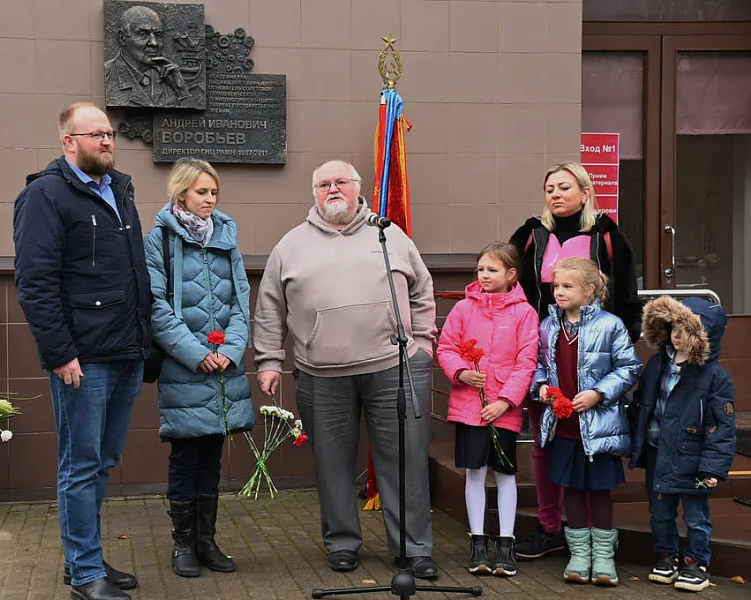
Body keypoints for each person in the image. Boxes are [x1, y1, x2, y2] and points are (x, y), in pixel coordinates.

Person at [253, 160, 439, 579]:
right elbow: (269, 309)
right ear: (314, 193)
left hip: (395, 366)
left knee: (404, 462)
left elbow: (422, 289)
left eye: (341, 182)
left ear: (358, 189)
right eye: (323, 184)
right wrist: (268, 360)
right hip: (320, 373)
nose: (332, 189)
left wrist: (423, 344)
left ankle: (413, 548)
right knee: (332, 464)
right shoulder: (291, 245)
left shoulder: (388, 234)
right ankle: (341, 543)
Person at [13, 102, 152, 600]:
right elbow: (35, 283)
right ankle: (85, 573)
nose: (107, 141)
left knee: (103, 459)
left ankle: (83, 560)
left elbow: (136, 272)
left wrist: (144, 341)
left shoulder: (121, 191)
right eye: (95, 135)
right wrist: (59, 353)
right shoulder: (44, 196)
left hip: (125, 350)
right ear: (68, 142)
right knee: (80, 462)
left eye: (110, 133)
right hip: (82, 359)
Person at [509, 162, 643, 562]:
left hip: (594, 361)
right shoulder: (530, 234)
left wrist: (625, 340)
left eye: (564, 187)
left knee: (589, 449)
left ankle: (585, 535)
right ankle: (550, 527)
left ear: (585, 191)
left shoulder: (607, 234)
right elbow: (512, 285)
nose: (555, 194)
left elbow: (625, 291)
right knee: (545, 445)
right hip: (543, 350)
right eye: (549, 187)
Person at [144, 157, 254, 579]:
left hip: (224, 363)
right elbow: (156, 307)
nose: (209, 199)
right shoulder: (159, 240)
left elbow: (240, 301)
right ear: (181, 193)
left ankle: (208, 542)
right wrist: (195, 352)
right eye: (201, 192)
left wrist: (231, 347)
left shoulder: (226, 235)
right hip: (185, 364)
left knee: (212, 453)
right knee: (186, 453)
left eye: (214, 192)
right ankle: (183, 545)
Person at [532, 257, 642, 586]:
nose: (559, 293)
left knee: (599, 492)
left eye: (567, 286)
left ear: (589, 290)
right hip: (563, 425)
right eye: (556, 286)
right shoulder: (549, 326)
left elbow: (629, 367)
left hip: (599, 427)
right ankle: (579, 555)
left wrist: (598, 392)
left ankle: (604, 557)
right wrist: (541, 386)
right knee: (573, 490)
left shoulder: (610, 325)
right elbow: (539, 363)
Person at [436, 243, 539, 578]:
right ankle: (478, 542)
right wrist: (461, 372)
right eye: (480, 269)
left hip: (503, 409)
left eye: (492, 270)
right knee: (475, 473)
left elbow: (527, 362)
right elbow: (447, 346)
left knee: (506, 474)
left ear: (511, 275)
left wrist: (506, 401)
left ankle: (505, 543)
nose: (484, 276)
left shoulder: (525, 313)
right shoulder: (464, 309)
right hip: (470, 407)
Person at [629, 296, 735, 592]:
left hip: (693, 460)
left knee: (695, 516)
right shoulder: (657, 363)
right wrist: (633, 439)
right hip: (658, 451)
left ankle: (696, 562)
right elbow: (642, 403)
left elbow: (721, 428)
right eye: (673, 326)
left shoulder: (715, 377)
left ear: (703, 336)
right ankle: (665, 556)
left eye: (685, 329)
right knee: (660, 511)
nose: (676, 334)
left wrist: (713, 467)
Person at [104, 5, 189, 108]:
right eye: (143, 34)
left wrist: (181, 90)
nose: (154, 43)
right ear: (122, 38)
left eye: (158, 35)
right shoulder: (108, 76)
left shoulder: (170, 77)